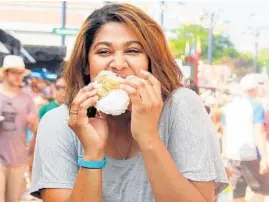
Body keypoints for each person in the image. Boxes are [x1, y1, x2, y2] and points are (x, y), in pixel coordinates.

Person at [30, 3, 228, 202]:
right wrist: (92, 153)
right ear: (86, 66)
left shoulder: (182, 106)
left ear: (151, 63)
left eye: (133, 51)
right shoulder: (59, 122)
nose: (118, 64)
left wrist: (149, 137)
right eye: (104, 52)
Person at [222, 73, 269, 202]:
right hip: (251, 154)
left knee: (237, 193)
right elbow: (259, 131)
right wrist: (264, 157)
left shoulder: (229, 106)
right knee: (262, 189)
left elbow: (225, 132)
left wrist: (224, 154)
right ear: (254, 89)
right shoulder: (256, 105)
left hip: (232, 154)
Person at [0, 55, 38, 202]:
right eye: (14, 72)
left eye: (20, 73)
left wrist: (33, 123)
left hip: (18, 158)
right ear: (6, 73)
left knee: (13, 199)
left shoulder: (27, 99)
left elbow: (35, 128)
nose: (18, 76)